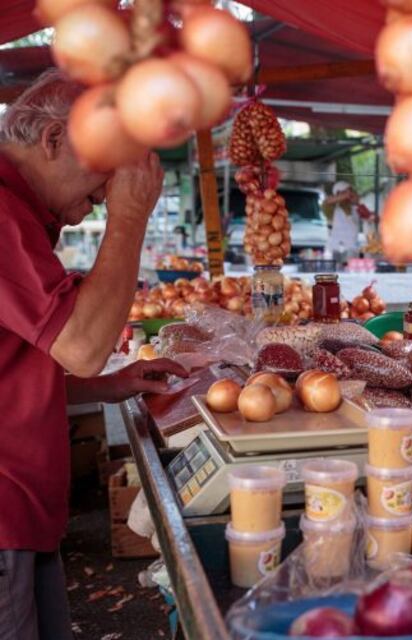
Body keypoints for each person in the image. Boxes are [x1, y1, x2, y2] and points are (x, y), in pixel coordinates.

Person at [0, 70, 188, 640]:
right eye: (106, 174)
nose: (103, 197)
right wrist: (130, 218)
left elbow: (18, 373)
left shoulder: (25, 214)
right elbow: (81, 347)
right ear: (55, 140)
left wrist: (109, 385)